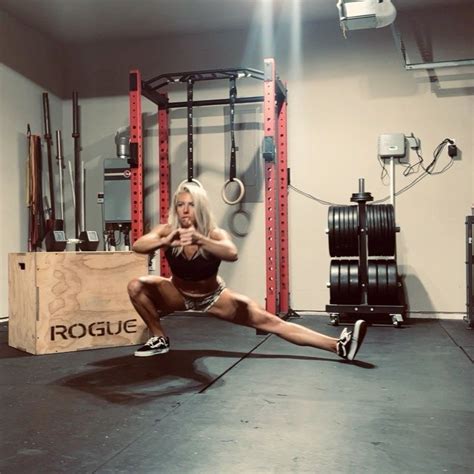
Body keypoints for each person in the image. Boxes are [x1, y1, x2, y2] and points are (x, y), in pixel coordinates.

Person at [128, 183, 367, 360]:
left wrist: (200, 239)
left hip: (213, 298)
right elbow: (139, 246)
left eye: (191, 205)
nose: (185, 210)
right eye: (180, 204)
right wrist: (166, 240)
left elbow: (232, 253)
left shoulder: (214, 233)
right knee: (136, 285)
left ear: (200, 207)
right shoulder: (165, 230)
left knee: (272, 322)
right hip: (178, 294)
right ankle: (158, 337)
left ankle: (338, 346)